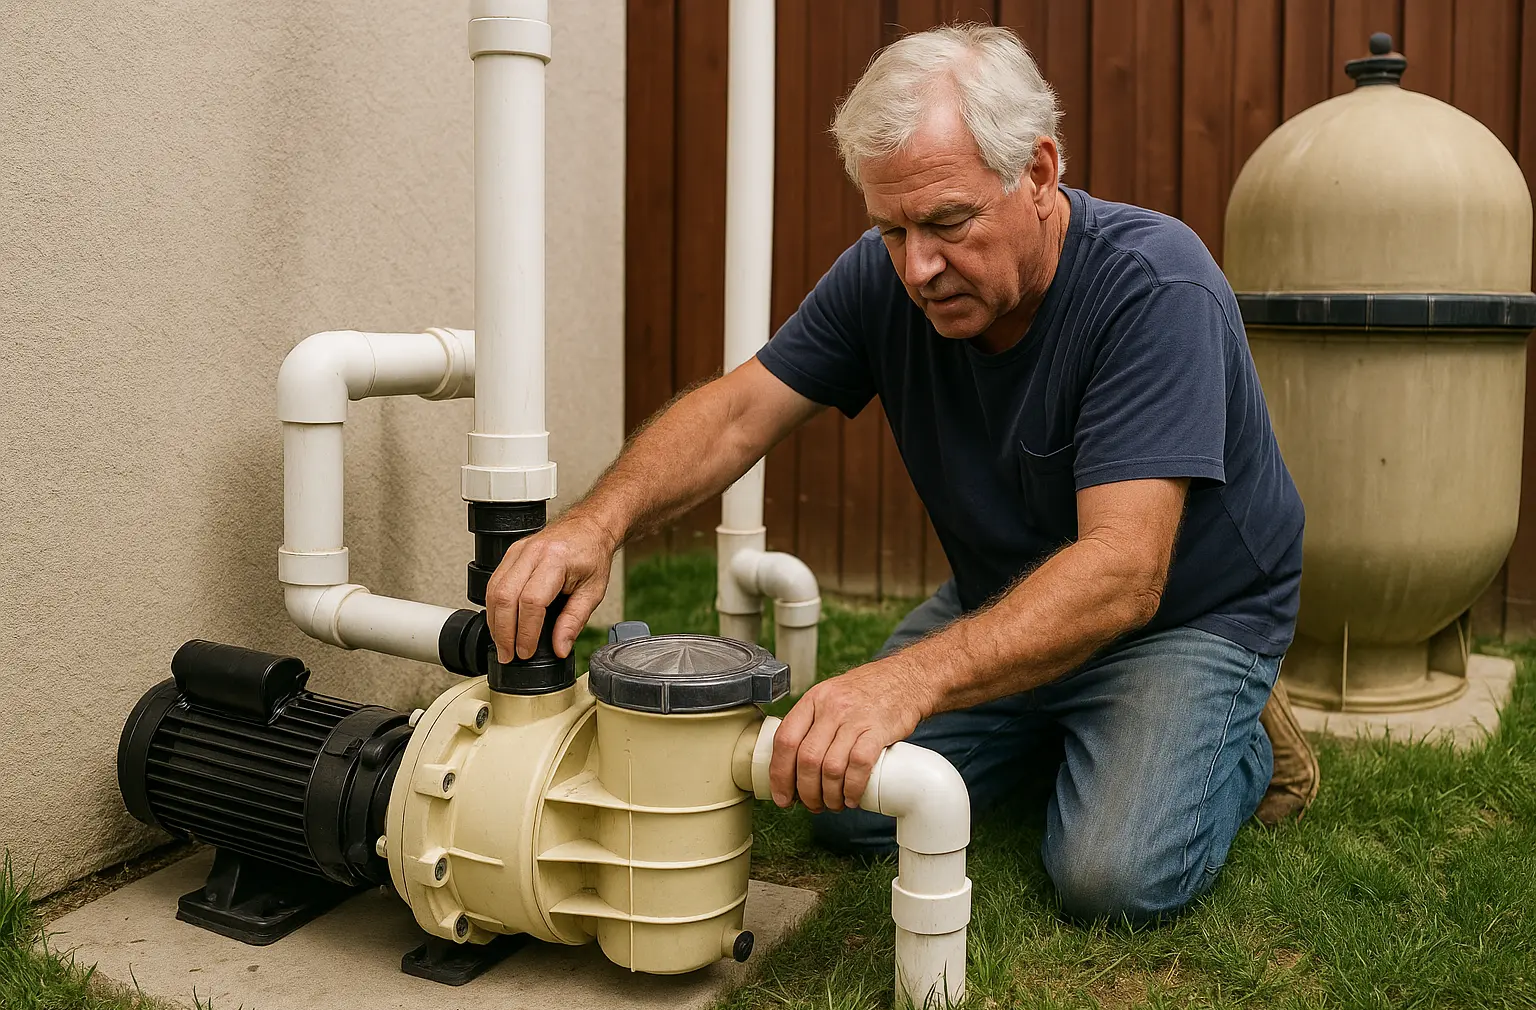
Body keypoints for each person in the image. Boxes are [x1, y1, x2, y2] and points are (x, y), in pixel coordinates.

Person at [484, 23, 1318, 922]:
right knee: (843, 807)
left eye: (949, 222)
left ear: (1038, 174)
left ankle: (1246, 738)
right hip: (1007, 594)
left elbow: (1123, 572)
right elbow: (735, 415)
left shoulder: (1154, 288)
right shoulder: (885, 278)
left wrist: (909, 681)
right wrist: (594, 521)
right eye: (891, 229)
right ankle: (1067, 732)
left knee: (1109, 878)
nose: (918, 266)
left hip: (1182, 617)